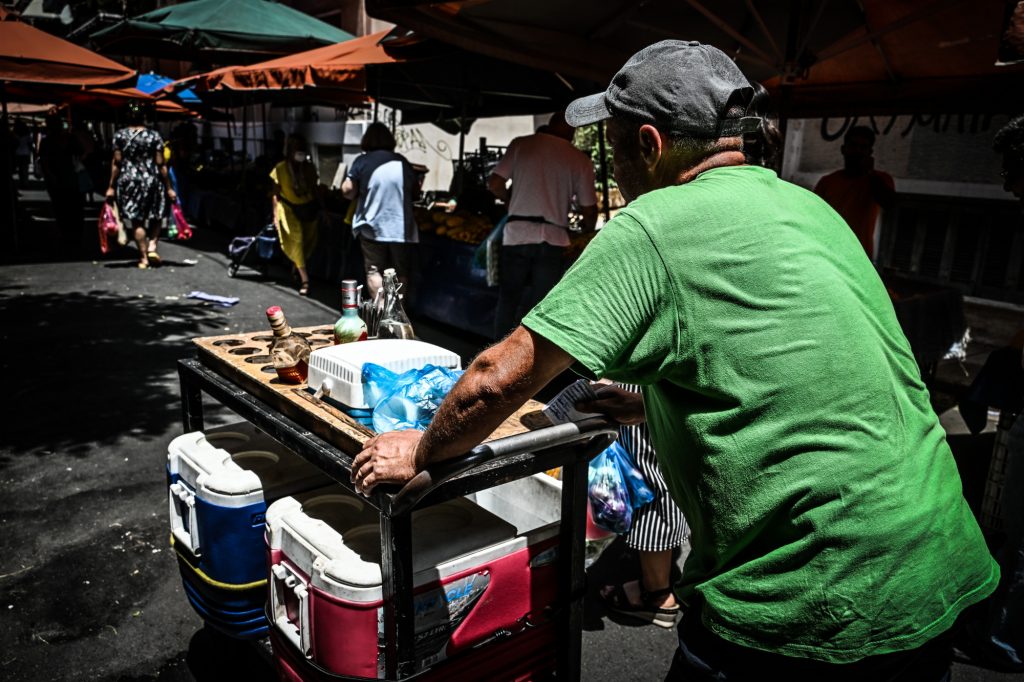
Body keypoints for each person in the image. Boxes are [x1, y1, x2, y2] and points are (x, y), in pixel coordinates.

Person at [351, 40, 998, 680]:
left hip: (809, 598)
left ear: (650, 146)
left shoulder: (655, 222)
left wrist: (421, 450)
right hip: (935, 566)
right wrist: (653, 398)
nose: (605, 158)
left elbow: (493, 380)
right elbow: (807, 365)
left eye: (609, 141)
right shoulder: (811, 206)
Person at [486, 112, 598, 337]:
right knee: (540, 307)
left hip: (517, 234)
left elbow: (495, 182)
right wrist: (586, 230)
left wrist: (511, 202)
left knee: (508, 300)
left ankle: (496, 353)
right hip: (553, 240)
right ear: (571, 130)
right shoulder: (579, 159)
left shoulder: (521, 144)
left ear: (550, 124)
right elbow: (589, 209)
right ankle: (531, 360)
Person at [600, 387, 689, 630]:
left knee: (648, 480)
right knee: (660, 470)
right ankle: (659, 583)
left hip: (649, 380)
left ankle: (657, 597)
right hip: (656, 383)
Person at [342, 122, 418, 301]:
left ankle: (381, 310)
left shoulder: (362, 161)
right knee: (400, 270)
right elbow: (415, 192)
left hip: (372, 225)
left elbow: (347, 191)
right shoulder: (402, 161)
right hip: (401, 227)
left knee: (374, 269)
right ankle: (397, 314)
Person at [105, 102, 174, 268]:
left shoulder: (120, 136)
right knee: (157, 215)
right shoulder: (154, 136)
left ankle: (143, 258)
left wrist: (111, 186)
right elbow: (160, 163)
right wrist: (169, 187)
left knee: (137, 221)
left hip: (129, 181)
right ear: (145, 117)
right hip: (152, 180)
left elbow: (117, 163)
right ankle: (152, 246)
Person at [813, 125, 896, 260]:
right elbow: (814, 218)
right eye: (853, 145)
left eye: (863, 147)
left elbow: (889, 203)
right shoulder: (827, 182)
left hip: (859, 258)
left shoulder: (880, 180)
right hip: (828, 254)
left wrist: (869, 173)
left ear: (870, 152)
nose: (857, 151)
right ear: (843, 149)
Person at [270, 134, 320, 295]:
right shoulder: (280, 169)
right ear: (290, 150)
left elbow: (315, 189)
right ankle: (305, 279)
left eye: (302, 149)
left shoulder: (309, 168)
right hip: (288, 209)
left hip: (309, 209)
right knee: (297, 239)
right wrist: (275, 214)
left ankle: (296, 268)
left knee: (307, 242)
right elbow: (275, 194)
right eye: (297, 149)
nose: (300, 152)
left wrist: (323, 210)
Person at [39, 113, 85, 257]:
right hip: (69, 177)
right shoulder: (66, 138)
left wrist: (50, 177)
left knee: (62, 208)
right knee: (74, 207)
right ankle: (74, 234)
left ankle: (68, 234)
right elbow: (81, 151)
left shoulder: (48, 141)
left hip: (60, 179)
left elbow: (44, 162)